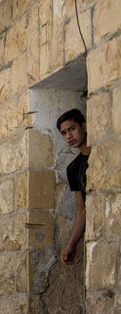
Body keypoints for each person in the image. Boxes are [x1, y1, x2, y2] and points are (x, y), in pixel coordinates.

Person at [57, 109, 91, 265]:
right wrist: (71, 245)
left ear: (84, 126)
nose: (69, 136)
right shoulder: (73, 169)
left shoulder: (103, 151)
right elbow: (81, 209)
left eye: (72, 129)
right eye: (64, 133)